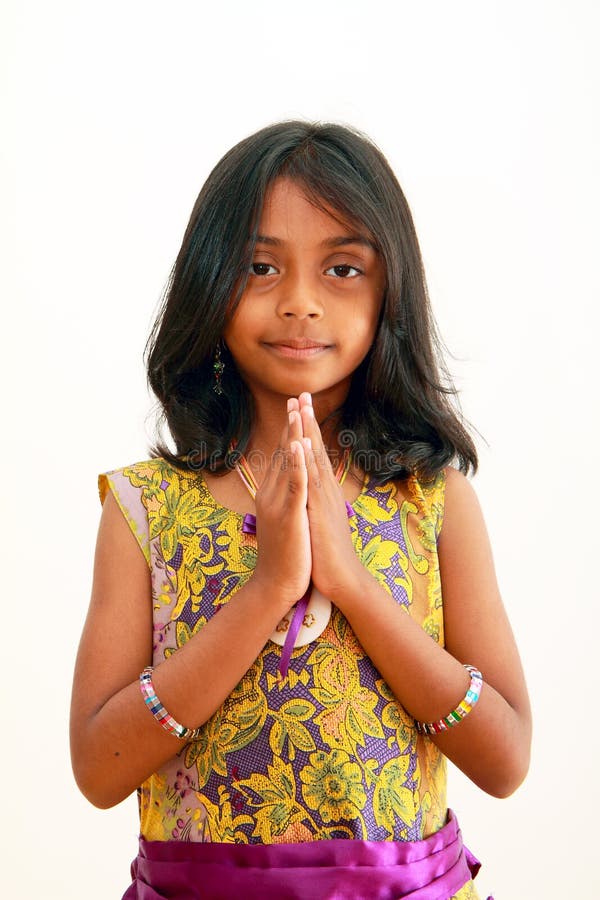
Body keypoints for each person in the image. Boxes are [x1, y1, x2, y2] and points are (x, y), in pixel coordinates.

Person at [70, 121, 531, 900]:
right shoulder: (143, 509)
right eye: (260, 266)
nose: (301, 304)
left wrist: (348, 581)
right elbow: (97, 769)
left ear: (392, 296)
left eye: (343, 268)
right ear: (209, 288)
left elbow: (506, 759)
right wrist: (267, 590)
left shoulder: (435, 503)